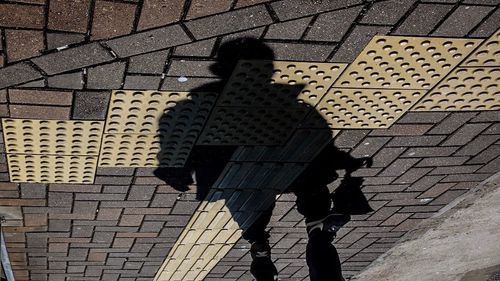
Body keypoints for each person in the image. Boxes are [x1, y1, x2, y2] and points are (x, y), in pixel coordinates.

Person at [154, 37, 373, 281]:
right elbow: (317, 140)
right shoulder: (289, 103)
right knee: (307, 187)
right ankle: (310, 229)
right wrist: (340, 160)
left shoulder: (193, 107)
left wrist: (178, 169)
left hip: (241, 169)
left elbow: (176, 141)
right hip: (268, 165)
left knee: (250, 201)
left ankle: (266, 245)